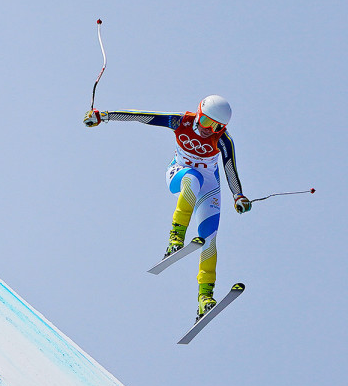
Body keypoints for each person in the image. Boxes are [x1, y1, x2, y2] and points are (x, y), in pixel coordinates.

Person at [84, 95, 249, 321]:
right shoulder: (180, 121)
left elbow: (230, 167)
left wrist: (238, 195)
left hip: (210, 183)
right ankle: (175, 238)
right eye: (207, 122)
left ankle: (205, 298)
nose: (210, 130)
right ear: (199, 114)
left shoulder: (223, 140)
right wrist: (104, 116)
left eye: (217, 126)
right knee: (191, 180)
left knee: (210, 238)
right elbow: (141, 117)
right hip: (180, 172)